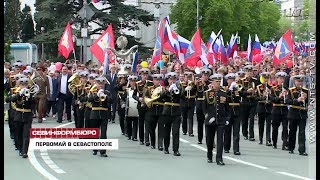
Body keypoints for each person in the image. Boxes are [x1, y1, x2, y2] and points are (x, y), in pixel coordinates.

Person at [203, 74, 229, 165]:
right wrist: (208, 117)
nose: (218, 83)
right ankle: (209, 155)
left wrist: (227, 118)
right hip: (210, 121)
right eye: (216, 81)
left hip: (220, 120)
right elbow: (204, 108)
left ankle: (219, 158)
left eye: (219, 81)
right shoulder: (207, 93)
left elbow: (227, 107)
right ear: (212, 82)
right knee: (210, 140)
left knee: (220, 140)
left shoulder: (224, 93)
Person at [9, 77, 35, 158]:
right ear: (19, 85)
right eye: (22, 84)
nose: (24, 86)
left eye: (25, 84)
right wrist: (19, 94)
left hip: (27, 115)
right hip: (18, 115)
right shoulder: (15, 91)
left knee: (26, 134)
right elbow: (10, 99)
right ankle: (20, 148)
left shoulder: (31, 92)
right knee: (18, 134)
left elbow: (34, 104)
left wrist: (30, 97)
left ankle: (24, 151)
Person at [87, 76, 112, 157]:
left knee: (103, 133)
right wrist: (97, 95)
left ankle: (103, 151)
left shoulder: (107, 92)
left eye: (102, 84)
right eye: (99, 84)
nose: (100, 85)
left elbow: (112, 101)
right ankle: (95, 149)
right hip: (94, 114)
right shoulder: (92, 91)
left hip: (104, 114)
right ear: (96, 84)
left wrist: (106, 97)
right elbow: (89, 99)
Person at [159, 72, 182, 156]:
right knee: (166, 131)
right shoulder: (164, 88)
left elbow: (182, 96)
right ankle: (166, 147)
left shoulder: (179, 87)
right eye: (170, 79)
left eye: (173, 79)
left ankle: (176, 150)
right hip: (167, 112)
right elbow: (161, 96)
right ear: (168, 80)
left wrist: (176, 89)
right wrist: (168, 90)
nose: (172, 81)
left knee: (175, 132)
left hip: (176, 112)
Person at [286, 75, 308, 156]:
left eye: (301, 81)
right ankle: (291, 148)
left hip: (302, 113)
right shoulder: (291, 90)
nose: (299, 83)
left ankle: (302, 150)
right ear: (295, 82)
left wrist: (307, 101)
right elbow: (287, 101)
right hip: (293, 113)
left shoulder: (306, 91)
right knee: (292, 131)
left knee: (302, 132)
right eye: (298, 81)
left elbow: (310, 102)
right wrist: (297, 100)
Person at [132, 68, 153, 145]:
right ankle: (141, 139)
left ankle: (147, 139)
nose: (144, 76)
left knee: (148, 122)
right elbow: (133, 95)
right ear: (140, 75)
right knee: (141, 122)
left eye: (146, 75)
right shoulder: (137, 84)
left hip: (148, 105)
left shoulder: (151, 83)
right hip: (140, 105)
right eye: (143, 75)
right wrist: (138, 98)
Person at [144, 74, 165, 150]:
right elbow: (146, 98)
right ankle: (152, 143)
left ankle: (160, 144)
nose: (158, 81)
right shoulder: (149, 89)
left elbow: (166, 98)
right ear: (153, 81)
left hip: (161, 110)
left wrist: (163, 93)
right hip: (151, 110)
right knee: (151, 128)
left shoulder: (163, 89)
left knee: (161, 129)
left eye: (159, 80)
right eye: (156, 80)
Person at [239, 65, 259, 141]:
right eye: (248, 71)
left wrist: (255, 92)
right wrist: (246, 91)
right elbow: (240, 92)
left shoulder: (256, 81)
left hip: (253, 102)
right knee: (244, 119)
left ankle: (251, 135)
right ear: (245, 72)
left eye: (250, 71)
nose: (249, 73)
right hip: (244, 101)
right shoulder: (241, 81)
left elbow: (259, 91)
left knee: (251, 119)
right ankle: (245, 133)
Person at [270, 72, 289, 150]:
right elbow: (272, 100)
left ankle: (285, 143)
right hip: (276, 110)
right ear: (277, 79)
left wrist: (286, 95)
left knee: (285, 127)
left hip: (284, 109)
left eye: (283, 79)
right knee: (275, 128)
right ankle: (274, 142)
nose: (281, 80)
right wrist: (279, 96)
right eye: (280, 78)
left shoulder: (287, 89)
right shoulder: (273, 89)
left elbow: (289, 100)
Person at [224, 73, 242, 155]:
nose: (231, 81)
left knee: (236, 131)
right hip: (228, 111)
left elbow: (243, 95)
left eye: (233, 79)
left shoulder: (237, 88)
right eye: (230, 79)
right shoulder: (224, 89)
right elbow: (224, 97)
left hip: (237, 111)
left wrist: (238, 89)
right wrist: (230, 89)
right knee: (227, 130)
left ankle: (236, 149)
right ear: (227, 80)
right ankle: (226, 147)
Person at [256, 72, 273, 146]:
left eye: (267, 78)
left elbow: (273, 98)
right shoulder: (258, 87)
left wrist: (269, 95)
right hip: (261, 107)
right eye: (264, 78)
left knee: (269, 124)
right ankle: (260, 138)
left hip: (269, 107)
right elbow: (256, 98)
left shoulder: (271, 87)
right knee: (261, 124)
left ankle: (268, 139)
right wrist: (263, 96)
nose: (266, 80)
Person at [195, 68, 211, 144]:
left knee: (208, 122)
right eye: (204, 75)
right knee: (200, 122)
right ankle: (199, 139)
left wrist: (206, 85)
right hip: (199, 103)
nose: (205, 77)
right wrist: (195, 84)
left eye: (207, 75)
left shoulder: (210, 83)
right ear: (202, 75)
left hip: (207, 103)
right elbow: (193, 91)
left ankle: (209, 139)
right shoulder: (198, 83)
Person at [180, 71, 197, 136]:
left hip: (191, 101)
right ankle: (184, 130)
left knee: (190, 117)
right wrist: (184, 90)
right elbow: (180, 95)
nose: (188, 79)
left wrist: (193, 86)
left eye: (189, 77)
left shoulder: (193, 84)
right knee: (184, 117)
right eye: (186, 77)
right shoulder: (181, 84)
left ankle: (191, 131)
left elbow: (195, 92)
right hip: (184, 102)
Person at [124, 75, 139, 141]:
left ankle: (134, 136)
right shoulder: (127, 90)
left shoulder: (139, 89)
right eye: (131, 81)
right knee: (129, 123)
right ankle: (129, 134)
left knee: (136, 123)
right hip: (129, 108)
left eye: (134, 81)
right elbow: (123, 98)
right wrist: (123, 104)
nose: (133, 83)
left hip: (136, 108)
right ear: (129, 82)